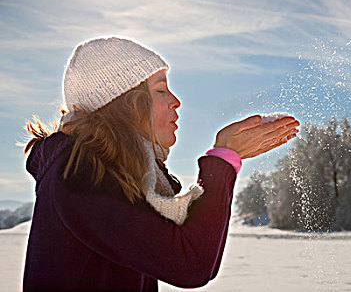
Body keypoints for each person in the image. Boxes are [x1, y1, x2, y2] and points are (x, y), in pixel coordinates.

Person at [22, 36, 299, 291]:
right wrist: (224, 158)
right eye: (161, 90)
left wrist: (226, 157)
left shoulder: (123, 173)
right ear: (126, 104)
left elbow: (191, 251)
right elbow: (189, 262)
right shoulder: (79, 172)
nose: (176, 101)